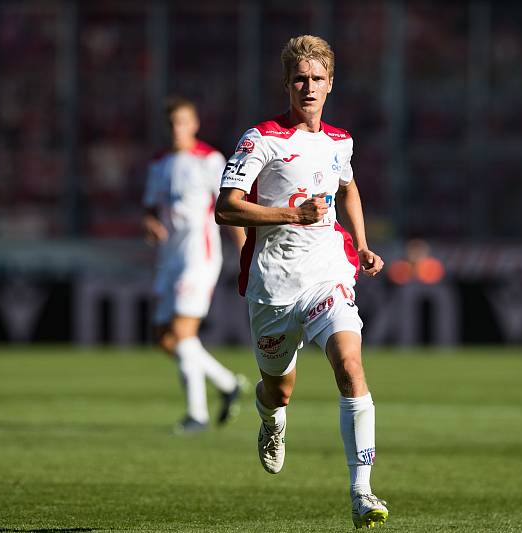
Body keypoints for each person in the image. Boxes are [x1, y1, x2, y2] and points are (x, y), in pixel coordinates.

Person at [214, 35, 389, 529]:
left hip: (327, 275)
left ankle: (362, 491)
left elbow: (348, 187)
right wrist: (288, 214)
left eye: (317, 79)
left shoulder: (340, 142)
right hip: (272, 286)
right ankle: (270, 418)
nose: (308, 87)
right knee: (279, 390)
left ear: (330, 84)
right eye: (299, 79)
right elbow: (225, 207)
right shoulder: (261, 139)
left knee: (350, 366)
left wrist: (362, 242)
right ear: (287, 84)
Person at [143, 96, 247, 433]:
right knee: (164, 338)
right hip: (169, 258)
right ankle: (228, 384)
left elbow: (229, 207)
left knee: (183, 333)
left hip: (198, 256)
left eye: (183, 122)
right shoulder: (159, 163)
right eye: (172, 123)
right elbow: (149, 208)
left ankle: (196, 415)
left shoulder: (210, 160)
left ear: (195, 124)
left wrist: (244, 248)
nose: (177, 128)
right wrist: (150, 224)